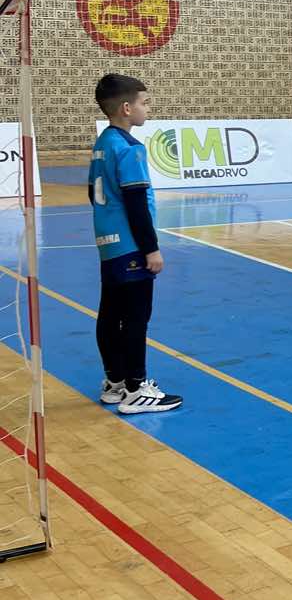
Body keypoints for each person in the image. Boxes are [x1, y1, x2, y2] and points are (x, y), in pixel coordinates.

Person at [90, 74, 182, 415]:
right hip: (131, 245)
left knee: (110, 313)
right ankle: (136, 388)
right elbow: (136, 202)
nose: (148, 109)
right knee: (135, 318)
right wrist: (150, 248)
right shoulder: (129, 148)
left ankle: (115, 382)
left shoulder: (103, 143)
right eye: (144, 103)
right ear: (127, 108)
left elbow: (92, 194)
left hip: (108, 243)